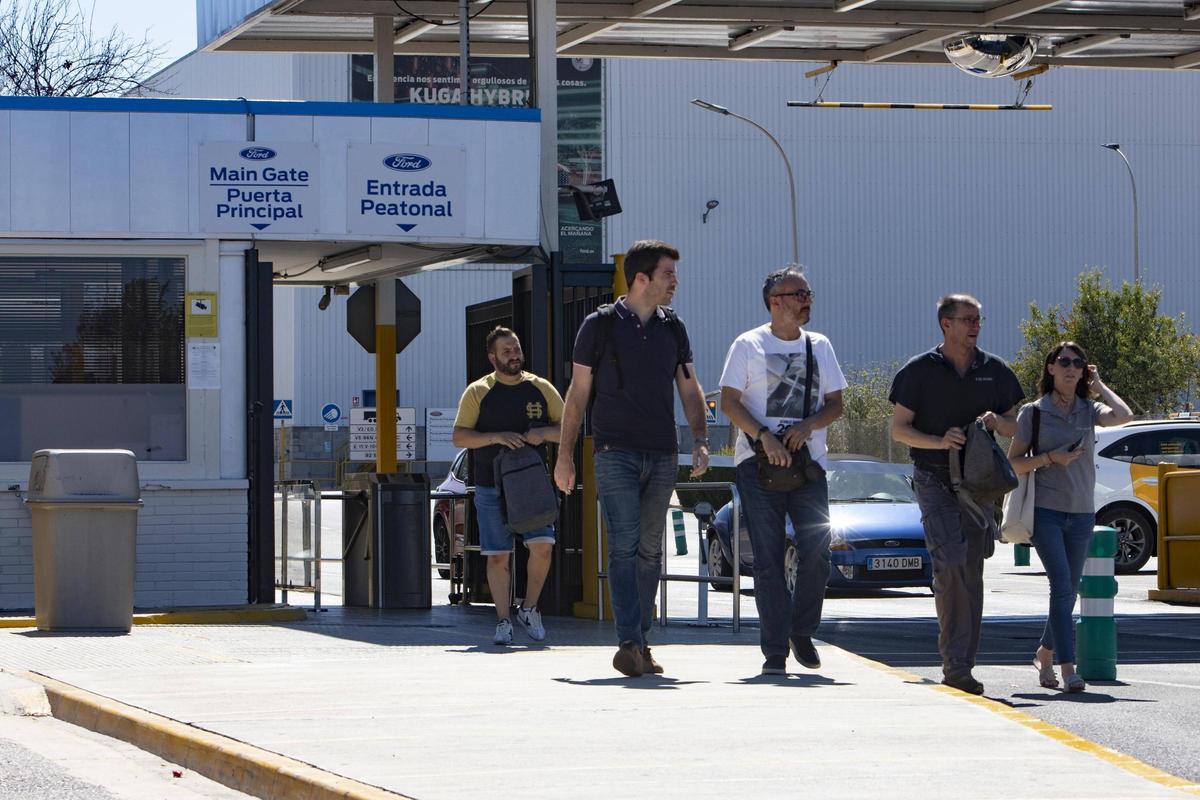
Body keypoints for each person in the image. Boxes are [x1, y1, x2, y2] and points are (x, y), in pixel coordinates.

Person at [554, 240, 709, 677]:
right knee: (623, 546)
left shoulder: (673, 328)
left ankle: (639, 641)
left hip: (661, 453)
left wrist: (699, 438)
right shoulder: (598, 326)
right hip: (614, 451)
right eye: (668, 274)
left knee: (649, 550)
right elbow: (578, 393)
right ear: (641, 278)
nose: (675, 282)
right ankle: (629, 641)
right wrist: (564, 456)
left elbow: (689, 387)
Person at [889, 294, 1023, 695]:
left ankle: (963, 664)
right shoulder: (918, 371)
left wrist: (998, 421)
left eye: (979, 319)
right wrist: (937, 440)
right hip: (933, 480)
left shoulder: (994, 370)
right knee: (948, 565)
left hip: (979, 486)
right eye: (967, 319)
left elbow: (1015, 426)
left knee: (970, 571)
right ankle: (955, 664)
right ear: (945, 324)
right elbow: (898, 430)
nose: (975, 325)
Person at [718, 267, 846, 675]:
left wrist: (808, 426)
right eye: (798, 293)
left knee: (818, 552)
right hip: (758, 465)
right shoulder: (748, 344)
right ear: (776, 301)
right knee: (769, 560)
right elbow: (729, 402)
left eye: (808, 292)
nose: (807, 299)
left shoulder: (819, 345)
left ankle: (801, 630)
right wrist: (763, 437)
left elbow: (835, 403)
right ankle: (775, 650)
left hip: (808, 466)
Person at [1007, 342, 1132, 692]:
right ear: (1050, 369)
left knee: (1068, 592)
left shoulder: (1088, 409)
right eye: (1063, 361)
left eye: (1078, 363)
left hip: (1081, 513)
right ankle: (1067, 668)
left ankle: (1045, 653)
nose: (1071, 367)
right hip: (1045, 511)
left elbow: (1124, 416)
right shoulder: (1033, 412)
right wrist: (1049, 459)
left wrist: (1101, 385)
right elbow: (1013, 463)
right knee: (1062, 587)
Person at [452, 327, 563, 646]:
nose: (514, 355)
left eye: (516, 349)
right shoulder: (478, 391)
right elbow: (460, 436)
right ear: (492, 357)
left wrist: (543, 432)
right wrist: (496, 437)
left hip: (531, 485)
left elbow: (569, 427)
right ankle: (503, 619)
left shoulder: (541, 387)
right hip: (490, 486)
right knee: (498, 556)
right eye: (506, 351)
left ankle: (529, 608)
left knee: (543, 546)